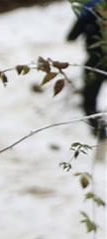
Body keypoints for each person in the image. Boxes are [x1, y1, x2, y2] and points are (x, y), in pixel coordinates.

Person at [67, 0, 107, 140]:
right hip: (96, 63)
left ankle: (100, 131)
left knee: (89, 101)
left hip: (95, 63)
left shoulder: (88, 11)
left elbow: (71, 36)